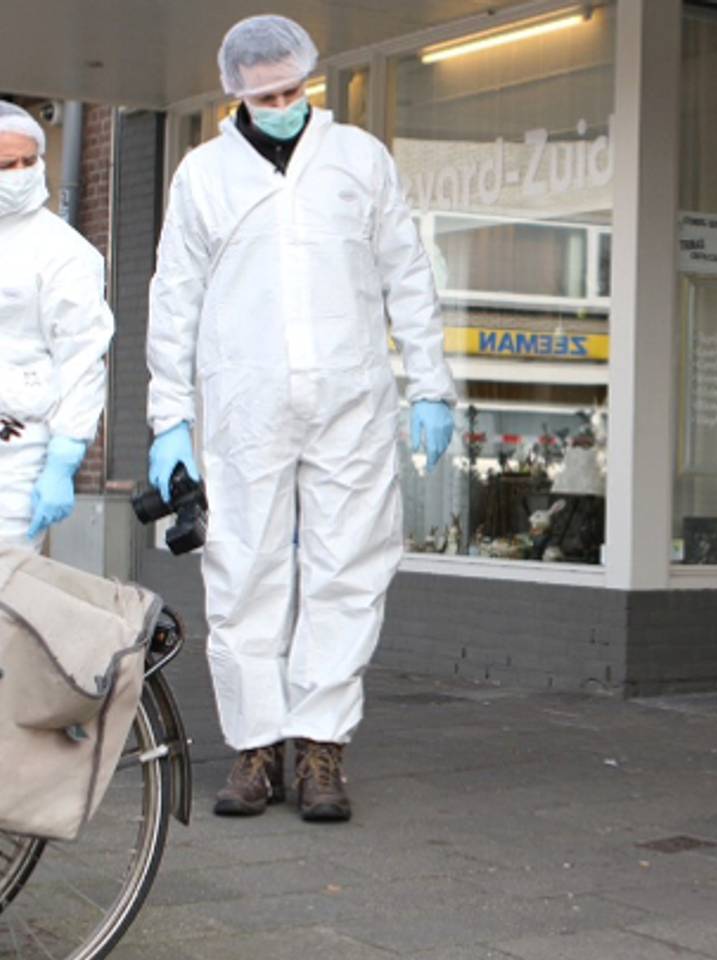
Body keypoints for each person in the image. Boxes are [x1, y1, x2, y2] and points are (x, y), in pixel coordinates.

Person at [146, 15, 456, 822]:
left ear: (309, 80)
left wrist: (431, 383)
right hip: (243, 404)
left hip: (351, 400)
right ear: (236, 95)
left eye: (292, 89)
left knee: (345, 570)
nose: (283, 104)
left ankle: (322, 750)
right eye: (266, 94)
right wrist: (168, 418)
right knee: (243, 571)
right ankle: (255, 749)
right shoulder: (203, 175)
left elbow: (407, 274)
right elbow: (173, 298)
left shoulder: (358, 160)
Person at [0, 102, 113, 551]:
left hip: (19, 452)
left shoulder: (61, 250)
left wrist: (64, 457)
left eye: (29, 162)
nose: (20, 173)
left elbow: (83, 356)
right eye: (7, 164)